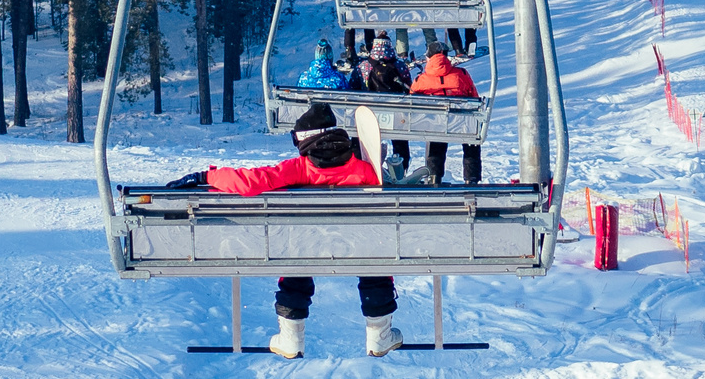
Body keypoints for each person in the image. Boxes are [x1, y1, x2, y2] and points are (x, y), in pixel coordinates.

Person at [165, 103, 400, 358]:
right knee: (376, 258)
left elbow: (250, 181)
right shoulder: (363, 170)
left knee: (295, 256)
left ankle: (291, 339)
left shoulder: (298, 169)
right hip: (359, 248)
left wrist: (206, 176)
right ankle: (380, 336)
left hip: (307, 247)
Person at [411, 50, 482, 184]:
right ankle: (471, 178)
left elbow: (413, 97)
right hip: (461, 120)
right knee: (471, 141)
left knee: (436, 140)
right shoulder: (461, 73)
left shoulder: (422, 79)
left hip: (435, 121)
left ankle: (434, 176)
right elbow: (472, 93)